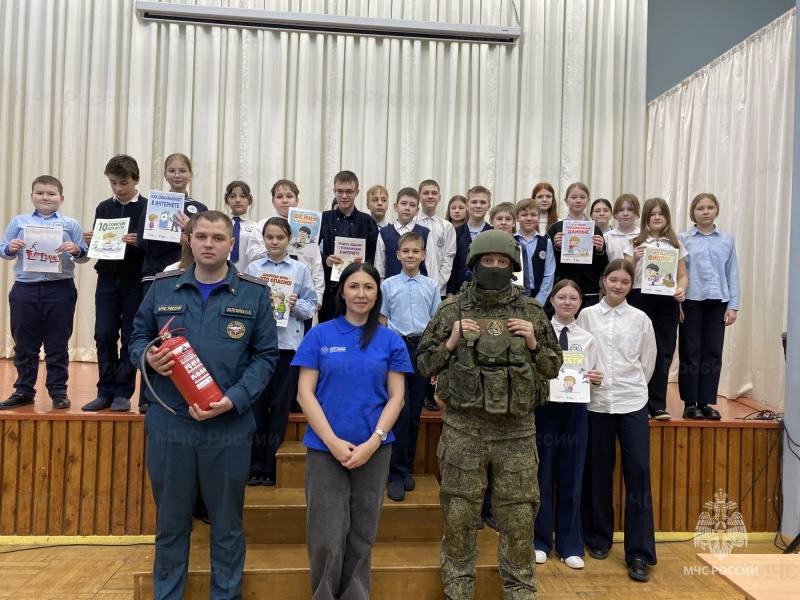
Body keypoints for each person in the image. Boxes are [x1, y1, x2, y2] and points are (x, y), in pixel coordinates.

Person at [129, 210, 279, 599]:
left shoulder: (254, 293)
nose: (209, 244)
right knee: (171, 525)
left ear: (232, 244)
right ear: (190, 241)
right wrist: (147, 357)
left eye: (217, 237)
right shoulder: (162, 288)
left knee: (227, 526)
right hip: (170, 425)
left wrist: (234, 400)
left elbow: (266, 357)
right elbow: (136, 338)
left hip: (228, 429)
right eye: (202, 237)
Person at [417, 230, 562, 599]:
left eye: (502, 262)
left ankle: (520, 589)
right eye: (488, 261)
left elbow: (553, 367)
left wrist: (533, 341)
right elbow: (423, 363)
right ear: (474, 264)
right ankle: (458, 588)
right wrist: (451, 340)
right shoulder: (453, 309)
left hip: (517, 432)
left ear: (512, 266)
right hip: (465, 430)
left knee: (518, 518)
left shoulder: (531, 312)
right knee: (460, 515)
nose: (495, 267)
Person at [292, 262, 411, 599]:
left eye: (368, 287)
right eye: (354, 286)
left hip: (374, 449)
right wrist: (331, 442)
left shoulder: (390, 341)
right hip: (324, 450)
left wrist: (373, 442)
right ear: (342, 291)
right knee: (326, 532)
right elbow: (305, 393)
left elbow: (397, 397)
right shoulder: (320, 335)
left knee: (362, 531)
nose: (361, 293)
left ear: (378, 294)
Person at [577, 259, 657, 583]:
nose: (619, 286)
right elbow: (577, 357)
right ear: (603, 281)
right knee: (597, 471)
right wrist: (587, 375)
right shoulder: (586, 315)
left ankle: (638, 552)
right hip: (596, 404)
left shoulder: (641, 319)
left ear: (630, 284)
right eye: (614, 280)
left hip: (632, 402)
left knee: (637, 473)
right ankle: (597, 538)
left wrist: (630, 386)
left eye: (625, 281)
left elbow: (648, 363)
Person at [0, 175, 88, 410]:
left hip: (60, 289)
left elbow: (85, 256)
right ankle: (24, 390)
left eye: (51, 194)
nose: (45, 197)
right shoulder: (19, 222)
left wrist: (76, 249)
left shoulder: (71, 224)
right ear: (32, 196)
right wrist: (11, 247)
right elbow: (3, 249)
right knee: (24, 343)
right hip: (25, 289)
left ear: (61, 198)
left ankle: (58, 391)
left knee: (57, 343)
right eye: (40, 193)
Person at [534, 280, 602, 570]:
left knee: (572, 476)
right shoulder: (538, 333)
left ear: (579, 303)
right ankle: (538, 541)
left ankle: (570, 544)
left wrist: (596, 378)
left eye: (573, 298)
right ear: (551, 299)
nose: (567, 302)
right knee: (541, 474)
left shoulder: (587, 337)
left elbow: (596, 373)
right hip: (544, 409)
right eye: (561, 296)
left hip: (575, 411)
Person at [245, 217, 317, 485]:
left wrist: (296, 304)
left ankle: (270, 467)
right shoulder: (253, 268)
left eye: (280, 237)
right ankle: (253, 465)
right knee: (256, 408)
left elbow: (311, 307)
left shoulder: (299, 270)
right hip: (259, 348)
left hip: (288, 348)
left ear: (289, 239)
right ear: (263, 239)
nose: (274, 242)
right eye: (270, 237)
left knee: (279, 409)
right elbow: (242, 305)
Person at [81, 155, 146, 412]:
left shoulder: (146, 208)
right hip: (107, 280)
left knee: (131, 336)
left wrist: (139, 241)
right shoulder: (103, 207)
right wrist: (91, 240)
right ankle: (104, 390)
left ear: (135, 180)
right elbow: (101, 244)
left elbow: (156, 247)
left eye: (123, 182)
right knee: (104, 333)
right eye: (113, 183)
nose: (118, 188)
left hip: (135, 282)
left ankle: (123, 391)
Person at [379, 232, 441, 501]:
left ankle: (406, 469)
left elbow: (437, 322)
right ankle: (393, 473)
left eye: (416, 251)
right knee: (398, 411)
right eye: (406, 251)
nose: (411, 256)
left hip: (422, 349)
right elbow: (382, 321)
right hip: (396, 348)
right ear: (398, 255)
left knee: (415, 413)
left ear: (423, 255)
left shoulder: (431, 285)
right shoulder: (388, 285)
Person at [624, 197, 688, 421]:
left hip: (667, 301)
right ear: (646, 218)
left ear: (667, 217)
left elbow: (681, 276)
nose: (657, 217)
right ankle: (637, 401)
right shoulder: (635, 241)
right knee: (637, 350)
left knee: (664, 351)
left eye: (661, 213)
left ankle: (657, 404)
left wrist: (681, 291)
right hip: (640, 297)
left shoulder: (675, 243)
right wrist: (634, 257)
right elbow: (625, 275)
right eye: (652, 214)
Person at [678, 193, 740, 420]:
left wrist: (733, 305)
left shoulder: (727, 240)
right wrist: (678, 304)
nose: (705, 211)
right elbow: (678, 273)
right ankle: (689, 402)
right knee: (690, 352)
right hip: (691, 302)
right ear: (692, 212)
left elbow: (732, 273)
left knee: (713, 353)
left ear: (717, 210)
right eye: (700, 208)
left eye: (710, 207)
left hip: (718, 303)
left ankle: (705, 402)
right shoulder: (683, 239)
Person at [137, 153, 208, 295]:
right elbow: (142, 240)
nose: (177, 175)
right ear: (165, 175)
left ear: (190, 174)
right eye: (172, 171)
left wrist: (189, 236)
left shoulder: (200, 208)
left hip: (189, 273)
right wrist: (177, 238)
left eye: (182, 171)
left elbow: (206, 241)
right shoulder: (153, 204)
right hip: (154, 272)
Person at [252, 179, 325, 317]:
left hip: (302, 297)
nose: (284, 200)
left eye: (289, 196)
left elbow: (316, 265)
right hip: (272, 292)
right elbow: (255, 258)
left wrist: (318, 298)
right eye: (279, 197)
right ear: (273, 201)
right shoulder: (262, 225)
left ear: (297, 200)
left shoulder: (307, 226)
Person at [318, 170, 379, 322]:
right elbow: (309, 251)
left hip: (358, 291)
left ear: (357, 192)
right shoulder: (323, 218)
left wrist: (363, 265)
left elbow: (374, 256)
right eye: (340, 191)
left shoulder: (368, 221)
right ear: (334, 191)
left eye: (349, 191)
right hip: (329, 290)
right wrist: (326, 260)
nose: (344, 196)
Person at [547, 182, 609, 311]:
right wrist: (557, 247)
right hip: (562, 291)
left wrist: (599, 250)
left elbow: (603, 266)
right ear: (566, 200)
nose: (578, 201)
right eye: (574, 197)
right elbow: (547, 264)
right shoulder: (556, 228)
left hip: (589, 292)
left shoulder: (595, 229)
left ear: (588, 200)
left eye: (582, 197)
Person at [374, 187, 430, 279]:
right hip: (392, 289)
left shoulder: (425, 233)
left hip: (420, 290)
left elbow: (431, 267)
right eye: (403, 204)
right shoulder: (384, 233)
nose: (407, 208)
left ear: (417, 210)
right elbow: (379, 267)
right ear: (396, 207)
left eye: (412, 205)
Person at [446, 185, 492, 295]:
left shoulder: (493, 233)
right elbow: (450, 263)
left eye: (482, 202)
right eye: (474, 202)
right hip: (458, 293)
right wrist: (449, 292)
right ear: (467, 205)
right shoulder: (454, 232)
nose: (478, 205)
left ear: (489, 206)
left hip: (487, 293)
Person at [416, 179, 457, 299]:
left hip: (439, 289)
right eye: (426, 193)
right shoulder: (412, 224)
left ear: (439, 197)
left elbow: (448, 258)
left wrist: (437, 284)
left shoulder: (447, 227)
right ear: (419, 197)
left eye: (434, 193)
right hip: (413, 287)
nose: (430, 196)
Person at [514, 198, 556, 305]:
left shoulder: (546, 242)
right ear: (517, 218)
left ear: (538, 217)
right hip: (514, 296)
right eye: (524, 215)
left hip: (540, 296)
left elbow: (549, 274)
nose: (529, 218)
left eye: (533, 215)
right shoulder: (511, 241)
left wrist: (540, 299)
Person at [223, 180, 264, 273]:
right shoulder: (221, 225)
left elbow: (258, 257)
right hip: (222, 276)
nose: (238, 200)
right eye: (233, 196)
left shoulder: (257, 227)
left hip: (248, 276)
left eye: (243, 196)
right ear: (226, 199)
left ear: (249, 200)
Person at [604, 194, 641, 262]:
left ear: (636, 212)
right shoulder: (607, 237)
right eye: (621, 210)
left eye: (630, 209)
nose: (625, 213)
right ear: (615, 213)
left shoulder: (643, 236)